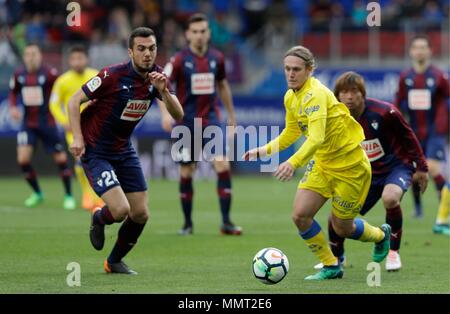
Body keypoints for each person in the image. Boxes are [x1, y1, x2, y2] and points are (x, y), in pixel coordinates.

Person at [243, 46, 391, 280]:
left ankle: (381, 236)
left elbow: (316, 137)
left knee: (343, 227)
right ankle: (331, 265)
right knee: (300, 215)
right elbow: (291, 132)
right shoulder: (290, 97)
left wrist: (292, 162)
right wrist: (264, 150)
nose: (291, 74)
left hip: (350, 168)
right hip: (323, 164)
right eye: (287, 69)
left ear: (309, 70)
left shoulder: (317, 94)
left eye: (296, 69)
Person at [67, 27, 183, 274]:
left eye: (151, 48)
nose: (147, 54)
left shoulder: (158, 77)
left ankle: (114, 261)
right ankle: (99, 218)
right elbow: (74, 100)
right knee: (120, 210)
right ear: (131, 51)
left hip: (123, 149)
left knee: (140, 213)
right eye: (141, 49)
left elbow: (178, 114)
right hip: (96, 151)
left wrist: (163, 91)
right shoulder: (112, 75)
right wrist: (77, 137)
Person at [313, 71, 429, 272]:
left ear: (362, 94)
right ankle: (336, 258)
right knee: (336, 217)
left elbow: (408, 136)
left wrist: (422, 167)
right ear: (337, 95)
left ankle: (393, 253)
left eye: (354, 91)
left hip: (396, 166)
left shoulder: (385, 112)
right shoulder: (335, 118)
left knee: (390, 198)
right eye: (344, 92)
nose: (349, 96)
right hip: (363, 174)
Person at [160, 13, 241, 236]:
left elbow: (223, 85)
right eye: (194, 32)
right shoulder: (178, 60)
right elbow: (161, 85)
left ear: (209, 33)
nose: (199, 35)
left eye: (203, 31)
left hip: (211, 121)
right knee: (187, 171)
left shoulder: (217, 57)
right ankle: (187, 224)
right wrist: (165, 114)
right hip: (185, 123)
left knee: (222, 165)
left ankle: (226, 222)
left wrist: (231, 115)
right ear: (187, 34)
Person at [8, 43, 75, 210]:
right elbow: (13, 92)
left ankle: (68, 196)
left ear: (40, 56)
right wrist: (13, 107)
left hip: (48, 123)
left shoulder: (50, 74)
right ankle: (37, 193)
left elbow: (60, 91)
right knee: (23, 159)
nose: (31, 57)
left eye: (34, 54)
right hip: (28, 124)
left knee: (60, 159)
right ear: (24, 57)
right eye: (28, 54)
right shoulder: (19, 74)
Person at [394, 35, 449, 221]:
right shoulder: (405, 77)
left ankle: (444, 213)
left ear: (430, 51)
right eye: (416, 47)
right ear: (411, 52)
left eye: (423, 47)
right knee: (417, 174)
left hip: (435, 132)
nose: (419, 51)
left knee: (432, 168)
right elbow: (398, 102)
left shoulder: (439, 76)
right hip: (414, 133)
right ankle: (418, 209)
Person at [50, 45, 104, 211]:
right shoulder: (63, 80)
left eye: (80, 58)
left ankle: (96, 196)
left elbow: (105, 98)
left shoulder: (95, 76)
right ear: (69, 61)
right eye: (74, 58)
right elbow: (53, 103)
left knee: (95, 161)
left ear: (86, 59)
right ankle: (89, 194)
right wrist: (63, 120)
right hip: (74, 128)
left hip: (94, 127)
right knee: (80, 159)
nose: (77, 61)